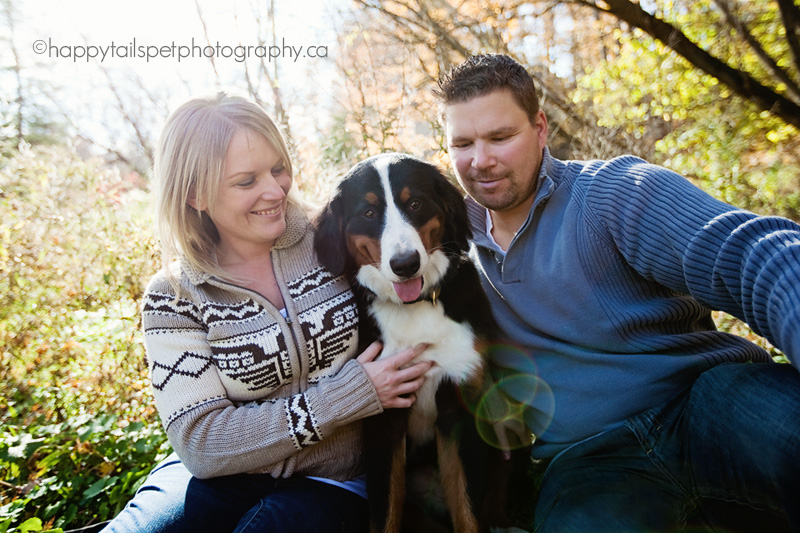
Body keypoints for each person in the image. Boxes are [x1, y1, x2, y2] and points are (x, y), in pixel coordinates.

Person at [434, 54, 800, 532]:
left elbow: (753, 254)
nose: (481, 160)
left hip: (706, 406)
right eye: (463, 143)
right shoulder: (446, 254)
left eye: (501, 137)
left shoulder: (612, 194)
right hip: (591, 464)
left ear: (540, 128)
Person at [102, 93, 431, 533]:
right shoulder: (174, 295)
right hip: (220, 477)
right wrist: (345, 396)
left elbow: (430, 291)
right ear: (195, 194)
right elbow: (201, 441)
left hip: (336, 479)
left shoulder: (335, 240)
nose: (275, 191)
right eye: (246, 181)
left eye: (278, 168)